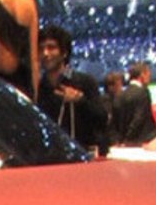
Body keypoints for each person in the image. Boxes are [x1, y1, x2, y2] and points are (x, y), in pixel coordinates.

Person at [36, 24, 107, 154]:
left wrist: (81, 101)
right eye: (41, 49)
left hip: (81, 156)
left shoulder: (83, 82)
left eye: (51, 48)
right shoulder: (38, 87)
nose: (45, 54)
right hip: (49, 156)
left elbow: (102, 120)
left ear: (64, 53)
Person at [114, 62, 156, 145]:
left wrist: (122, 140)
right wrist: (128, 137)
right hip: (142, 140)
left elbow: (117, 120)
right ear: (142, 75)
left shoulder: (121, 95)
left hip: (124, 140)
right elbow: (139, 118)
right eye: (148, 75)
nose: (150, 78)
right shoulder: (143, 93)